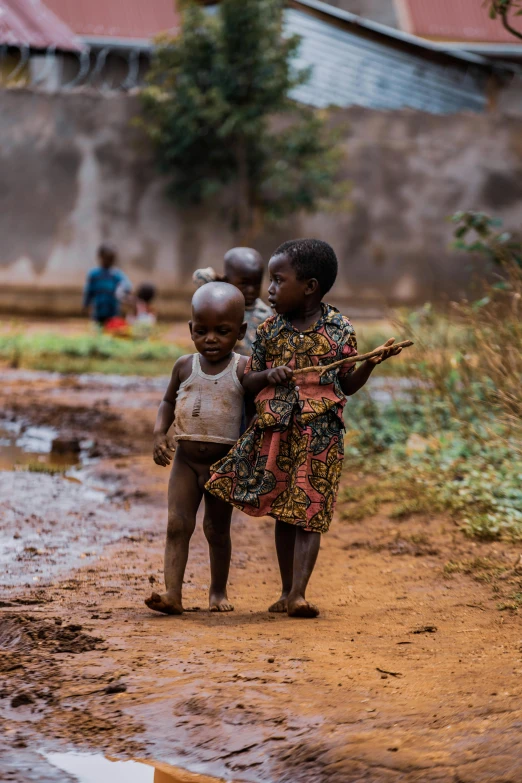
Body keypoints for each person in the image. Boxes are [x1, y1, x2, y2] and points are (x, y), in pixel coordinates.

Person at [206, 238, 402, 618]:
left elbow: (344, 385)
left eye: (278, 281)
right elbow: (246, 381)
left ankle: (298, 592)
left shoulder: (339, 328)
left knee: (310, 510)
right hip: (278, 432)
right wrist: (267, 374)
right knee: (284, 509)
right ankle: (284, 591)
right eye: (271, 281)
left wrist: (371, 363)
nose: (271, 290)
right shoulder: (268, 331)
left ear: (310, 286)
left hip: (322, 434)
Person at [145, 282, 248, 616]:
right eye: (201, 331)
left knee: (216, 531)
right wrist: (161, 433)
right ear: (191, 329)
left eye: (222, 331)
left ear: (240, 331)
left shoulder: (243, 368)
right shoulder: (184, 366)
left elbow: (254, 412)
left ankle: (217, 591)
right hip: (186, 463)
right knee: (177, 524)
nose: (211, 339)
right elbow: (167, 401)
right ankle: (172, 593)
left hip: (223, 465)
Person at [193, 247, 272, 356]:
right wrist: (221, 282)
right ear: (227, 280)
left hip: (252, 368)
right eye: (244, 284)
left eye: (256, 284)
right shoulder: (222, 303)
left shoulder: (264, 313)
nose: (251, 290)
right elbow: (199, 275)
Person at [83, 243, 132, 327]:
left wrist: (122, 289)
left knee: (112, 329)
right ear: (100, 257)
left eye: (111, 259)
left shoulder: (116, 274)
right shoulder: (94, 274)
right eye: (107, 259)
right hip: (98, 310)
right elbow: (89, 291)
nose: (108, 262)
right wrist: (86, 304)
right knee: (97, 328)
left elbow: (127, 285)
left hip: (113, 310)